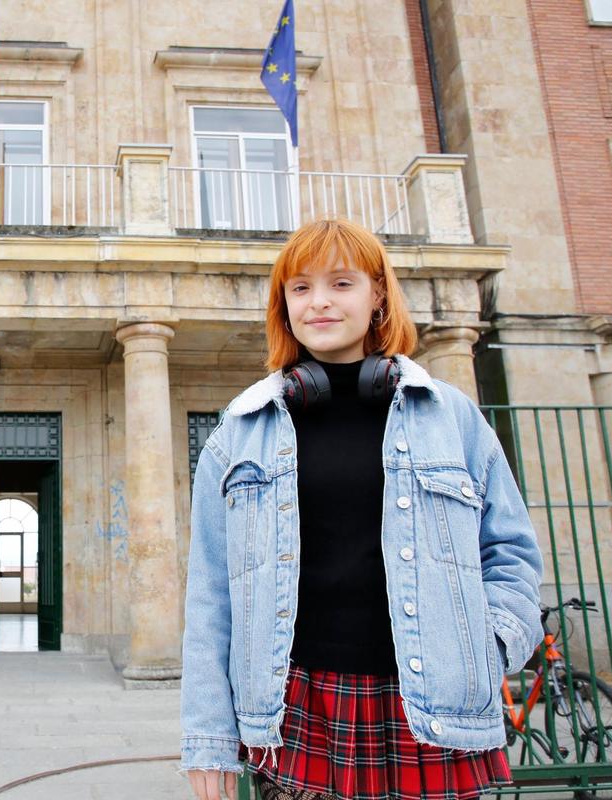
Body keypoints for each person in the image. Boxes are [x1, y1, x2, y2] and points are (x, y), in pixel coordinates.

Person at [180, 218, 544, 800]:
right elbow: (210, 593)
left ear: (378, 294)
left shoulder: (452, 417)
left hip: (432, 712)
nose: (318, 302)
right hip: (297, 709)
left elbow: (512, 553)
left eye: (341, 283)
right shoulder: (239, 432)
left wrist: (487, 645)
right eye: (299, 288)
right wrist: (208, 740)